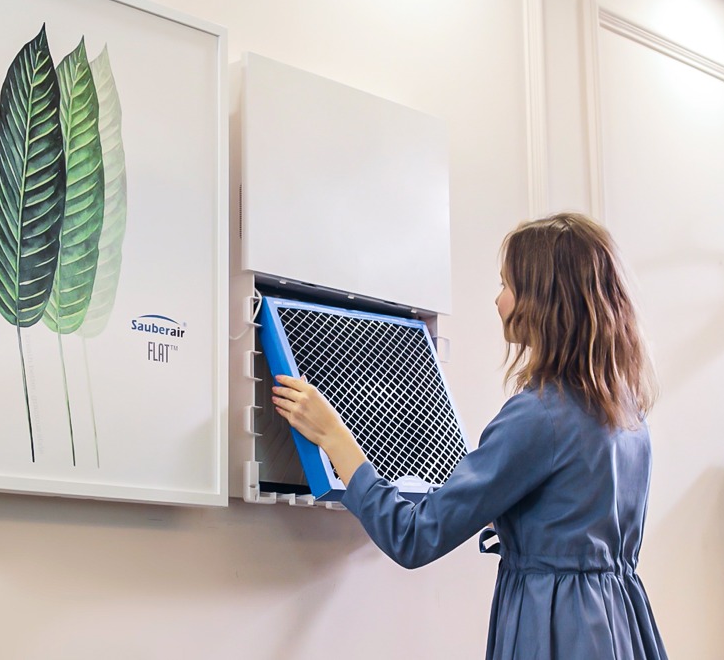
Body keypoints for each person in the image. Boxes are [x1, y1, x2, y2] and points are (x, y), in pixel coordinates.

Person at [272, 212, 667, 660]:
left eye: (507, 285)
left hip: (555, 630)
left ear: (542, 300)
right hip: (622, 624)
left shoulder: (538, 416)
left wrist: (334, 437)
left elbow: (414, 538)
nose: (498, 300)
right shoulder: (629, 416)